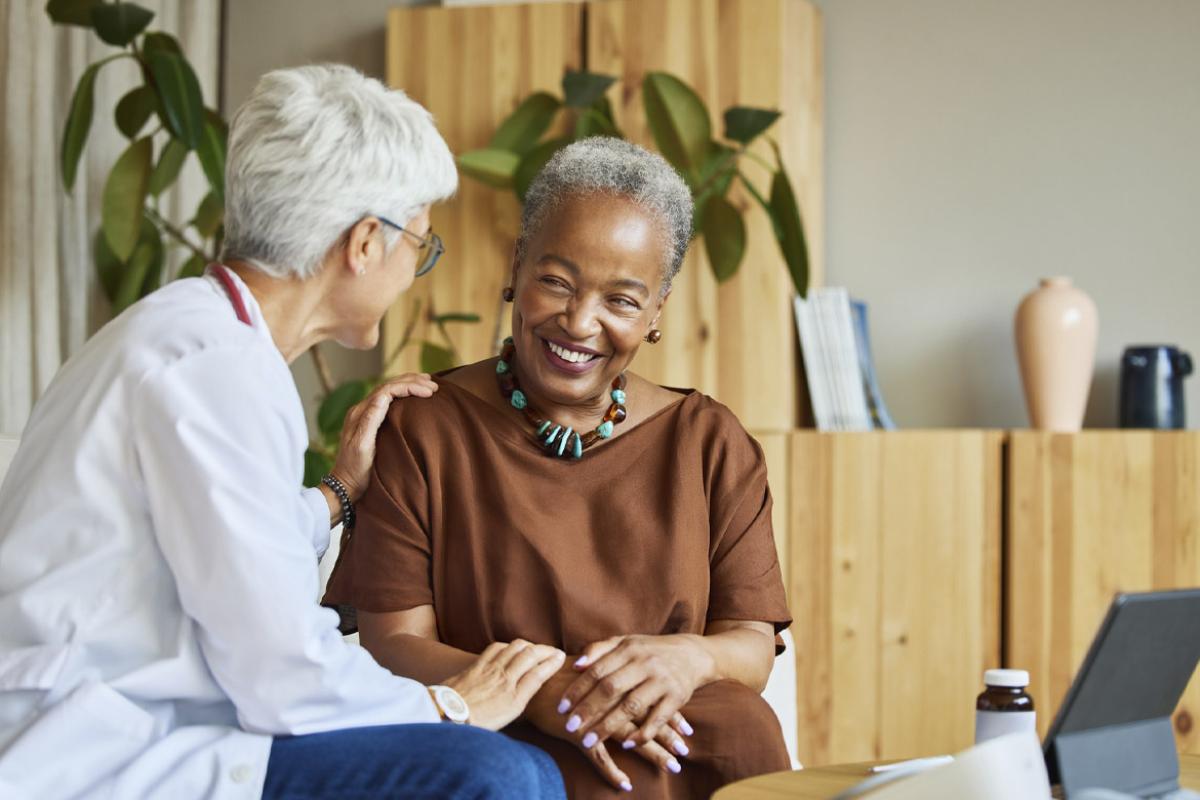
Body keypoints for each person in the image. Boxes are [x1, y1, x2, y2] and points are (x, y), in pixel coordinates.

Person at [0, 65, 566, 800]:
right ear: (365, 242)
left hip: (127, 723)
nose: (414, 272)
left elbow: (229, 552)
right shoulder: (213, 365)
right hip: (91, 749)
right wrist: (452, 704)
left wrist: (338, 490)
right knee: (503, 775)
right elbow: (281, 673)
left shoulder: (194, 336)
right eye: (419, 246)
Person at [323, 137, 793, 798]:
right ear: (517, 265)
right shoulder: (424, 427)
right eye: (557, 282)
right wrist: (543, 692)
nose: (579, 322)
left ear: (657, 309)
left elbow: (750, 643)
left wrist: (690, 657)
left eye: (622, 301)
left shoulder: (710, 442)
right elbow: (393, 643)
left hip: (670, 728)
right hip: (500, 730)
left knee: (741, 724)